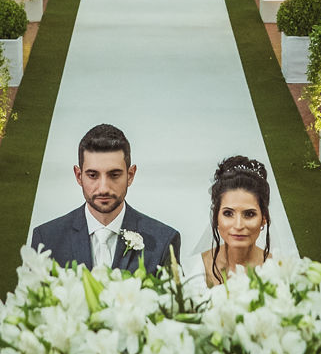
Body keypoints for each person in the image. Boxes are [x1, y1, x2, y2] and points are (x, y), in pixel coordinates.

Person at [30, 123, 181, 275]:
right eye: (93, 175)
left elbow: (176, 298)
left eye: (114, 175)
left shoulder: (164, 241)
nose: (103, 188)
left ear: (130, 175)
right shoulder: (47, 239)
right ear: (78, 176)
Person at [192, 156, 273, 289]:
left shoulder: (280, 271)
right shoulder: (194, 270)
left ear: (264, 218)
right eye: (228, 213)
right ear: (216, 217)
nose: (238, 225)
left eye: (249, 214)